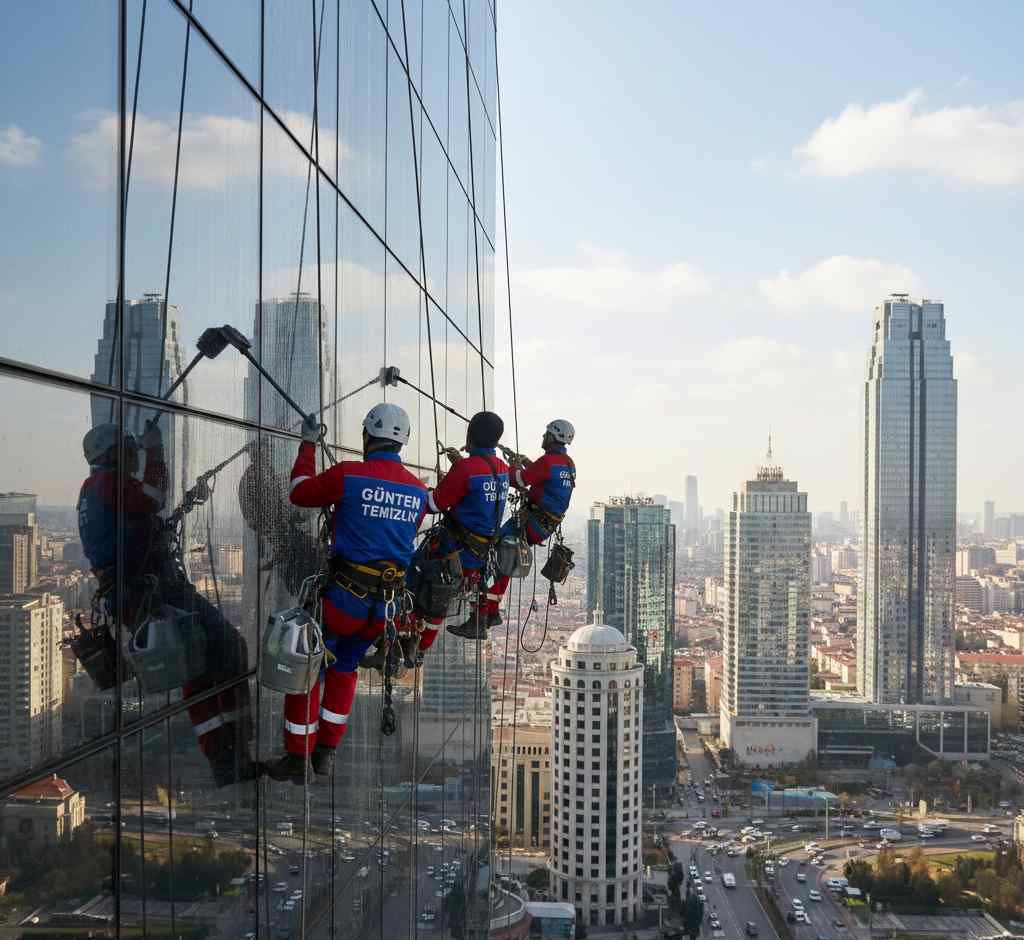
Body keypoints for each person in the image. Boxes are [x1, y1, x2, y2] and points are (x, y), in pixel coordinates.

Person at [77, 420, 257, 788]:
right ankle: (234, 750)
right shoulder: (108, 484)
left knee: (196, 670)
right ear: (114, 454)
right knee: (229, 648)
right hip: (149, 592)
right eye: (130, 449)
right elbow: (155, 496)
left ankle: (227, 759)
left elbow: (140, 520)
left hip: (136, 593)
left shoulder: (95, 489)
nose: (135, 456)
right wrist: (156, 449)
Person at [264, 402, 427, 784]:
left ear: (367, 436)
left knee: (306, 668)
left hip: (343, 601)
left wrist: (308, 445)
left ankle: (297, 756)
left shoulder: (349, 475)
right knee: (345, 668)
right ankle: (326, 754)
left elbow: (299, 493)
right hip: (382, 611)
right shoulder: (418, 490)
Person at [412, 411, 509, 643]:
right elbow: (478, 485)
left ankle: (415, 643)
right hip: (482, 551)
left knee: (413, 574)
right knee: (440, 592)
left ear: (470, 435)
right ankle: (421, 646)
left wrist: (414, 488)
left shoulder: (466, 469)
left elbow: (433, 504)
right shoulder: (501, 468)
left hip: (457, 550)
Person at [478, 419, 576, 624]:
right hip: (544, 525)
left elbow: (519, 480)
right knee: (507, 556)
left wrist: (507, 466)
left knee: (495, 549)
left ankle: (486, 609)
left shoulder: (548, 462)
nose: (543, 437)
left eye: (546, 434)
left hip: (532, 522)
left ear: (552, 437)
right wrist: (527, 463)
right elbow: (547, 479)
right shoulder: (567, 463)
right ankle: (491, 610)